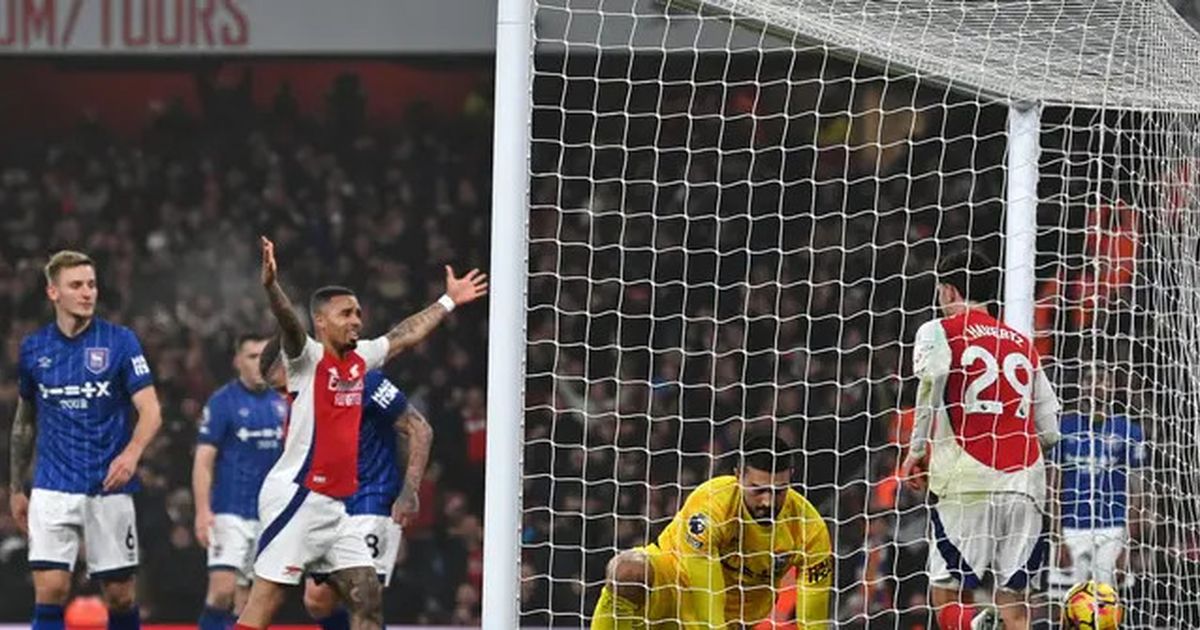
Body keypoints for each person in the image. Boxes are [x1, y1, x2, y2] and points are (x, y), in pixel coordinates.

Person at [235, 236, 486, 630]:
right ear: (321, 322)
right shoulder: (307, 360)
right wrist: (271, 287)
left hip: (336, 506)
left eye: (358, 313)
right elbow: (289, 323)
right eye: (346, 314)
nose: (356, 320)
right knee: (264, 605)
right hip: (298, 495)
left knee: (366, 595)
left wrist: (448, 301)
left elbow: (404, 334)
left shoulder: (361, 361)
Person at [900, 248, 1062, 630]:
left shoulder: (937, 330)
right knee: (1016, 604)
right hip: (1026, 482)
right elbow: (1051, 429)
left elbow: (931, 382)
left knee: (948, 591)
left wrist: (917, 450)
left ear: (949, 291)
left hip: (967, 479)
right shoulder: (1021, 343)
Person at [8, 250, 164, 630]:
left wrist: (132, 453)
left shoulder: (120, 341)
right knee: (51, 590)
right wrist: (16, 487)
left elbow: (151, 410)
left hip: (107, 486)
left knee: (121, 595)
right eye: (76, 285)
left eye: (91, 284)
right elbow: (24, 421)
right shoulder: (34, 349)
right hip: (52, 486)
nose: (87, 293)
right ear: (53, 292)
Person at [253, 338, 434, 630]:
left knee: (361, 598)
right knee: (317, 600)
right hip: (328, 503)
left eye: (284, 386)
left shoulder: (362, 379)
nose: (284, 394)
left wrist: (409, 490)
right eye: (278, 391)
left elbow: (419, 429)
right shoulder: (300, 405)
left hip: (371, 496)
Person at [590, 430, 833, 629]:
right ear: (738, 476)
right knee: (627, 569)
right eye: (758, 490)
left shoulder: (810, 530)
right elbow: (705, 589)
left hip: (737, 619)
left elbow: (814, 616)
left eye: (779, 490)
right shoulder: (711, 505)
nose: (768, 501)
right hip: (674, 588)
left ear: (791, 477)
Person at [193, 334, 286, 630]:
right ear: (237, 361)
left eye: (264, 355)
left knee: (250, 603)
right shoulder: (222, 402)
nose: (260, 363)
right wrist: (202, 510)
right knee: (222, 590)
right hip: (229, 510)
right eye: (251, 356)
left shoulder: (285, 401)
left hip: (270, 514)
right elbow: (203, 461)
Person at [1053, 362, 1146, 588]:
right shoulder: (1062, 427)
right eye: (1089, 380)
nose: (1095, 386)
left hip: (1112, 528)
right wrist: (1056, 539)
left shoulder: (1130, 431)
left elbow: (1138, 491)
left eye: (1103, 381)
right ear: (1081, 386)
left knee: (1109, 606)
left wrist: (1129, 545)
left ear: (1113, 387)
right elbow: (1052, 486)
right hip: (1070, 528)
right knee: (1065, 607)